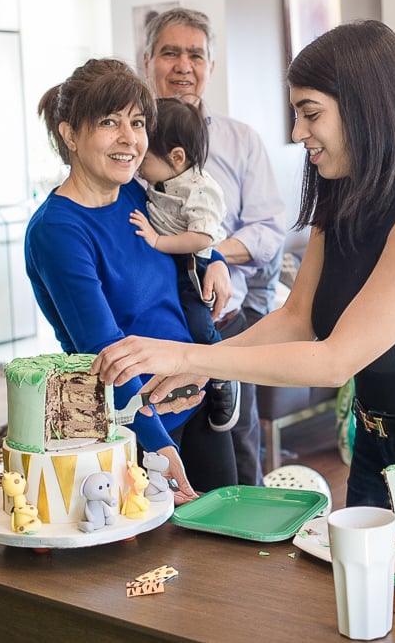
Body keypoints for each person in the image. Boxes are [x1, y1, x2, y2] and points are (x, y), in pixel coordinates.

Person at [95, 20, 395, 542]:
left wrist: (189, 358)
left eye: (310, 114)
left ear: (367, 109)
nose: (298, 133)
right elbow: (297, 319)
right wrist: (207, 369)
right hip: (376, 443)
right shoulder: (341, 194)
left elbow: (336, 358)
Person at [26, 58, 237, 498]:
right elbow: (104, 349)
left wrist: (213, 257)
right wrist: (155, 443)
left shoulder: (136, 193)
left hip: (196, 398)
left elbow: (182, 233)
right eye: (109, 122)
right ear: (70, 134)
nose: (130, 139)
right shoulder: (58, 230)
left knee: (227, 546)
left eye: (137, 122)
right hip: (134, 424)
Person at [143, 7, 286, 484]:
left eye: (195, 55)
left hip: (224, 326)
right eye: (170, 53)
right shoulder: (128, 144)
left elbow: (268, 230)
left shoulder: (240, 140)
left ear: (210, 67)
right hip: (153, 333)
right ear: (149, 62)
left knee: (238, 457)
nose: (183, 65)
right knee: (159, 466)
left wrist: (210, 254)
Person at [129, 97, 239, 427]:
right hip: (174, 264)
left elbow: (203, 238)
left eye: (145, 158)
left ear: (177, 157)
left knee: (200, 328)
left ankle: (225, 374)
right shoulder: (161, 180)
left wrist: (158, 241)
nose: (139, 165)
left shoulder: (199, 189)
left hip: (193, 267)